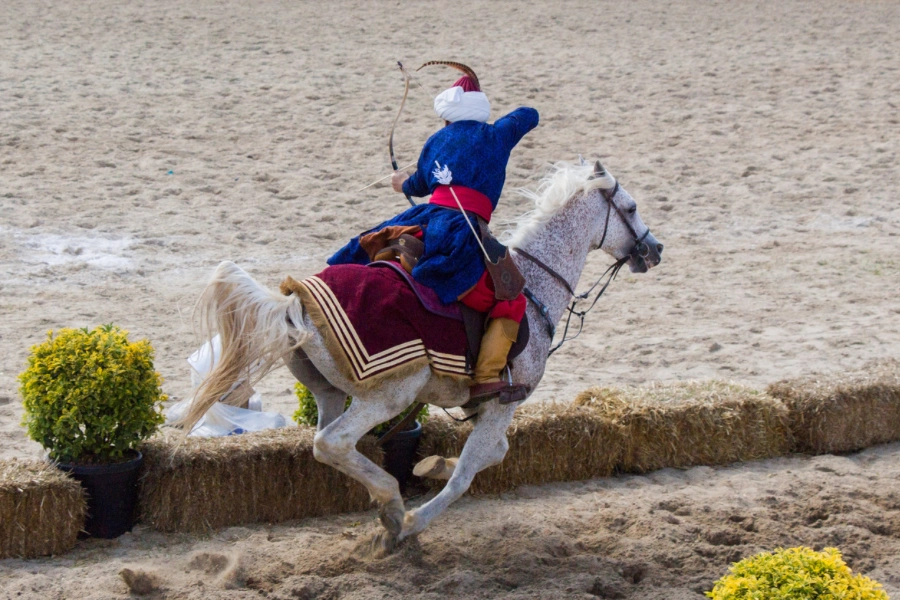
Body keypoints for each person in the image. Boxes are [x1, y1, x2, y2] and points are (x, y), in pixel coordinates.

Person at [328, 69, 539, 401]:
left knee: (373, 242)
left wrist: (400, 183)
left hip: (426, 219)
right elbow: (531, 114)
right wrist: (496, 126)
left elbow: (418, 186)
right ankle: (485, 376)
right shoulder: (497, 135)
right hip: (465, 229)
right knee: (511, 297)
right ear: (480, 109)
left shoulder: (436, 141)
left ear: (447, 116)